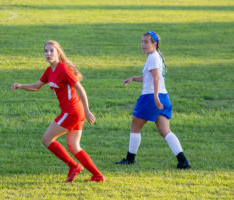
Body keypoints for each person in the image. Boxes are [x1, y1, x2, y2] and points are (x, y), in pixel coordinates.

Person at [11, 40, 105, 182]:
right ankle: (97, 176)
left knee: (46, 139)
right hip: (73, 111)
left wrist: (87, 110)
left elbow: (80, 89)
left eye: (51, 51)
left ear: (58, 53)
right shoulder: (50, 71)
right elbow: (37, 86)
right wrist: (20, 86)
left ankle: (74, 166)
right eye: (46, 51)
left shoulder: (64, 69)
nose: (48, 54)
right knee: (74, 146)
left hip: (72, 111)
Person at [115, 32, 191, 169]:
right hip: (164, 96)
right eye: (142, 41)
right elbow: (149, 77)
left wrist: (155, 97)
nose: (143, 44)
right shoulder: (156, 57)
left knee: (135, 127)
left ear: (154, 44)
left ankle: (130, 159)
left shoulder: (152, 58)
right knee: (165, 131)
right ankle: (183, 160)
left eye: (146, 42)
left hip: (150, 97)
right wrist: (133, 78)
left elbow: (156, 78)